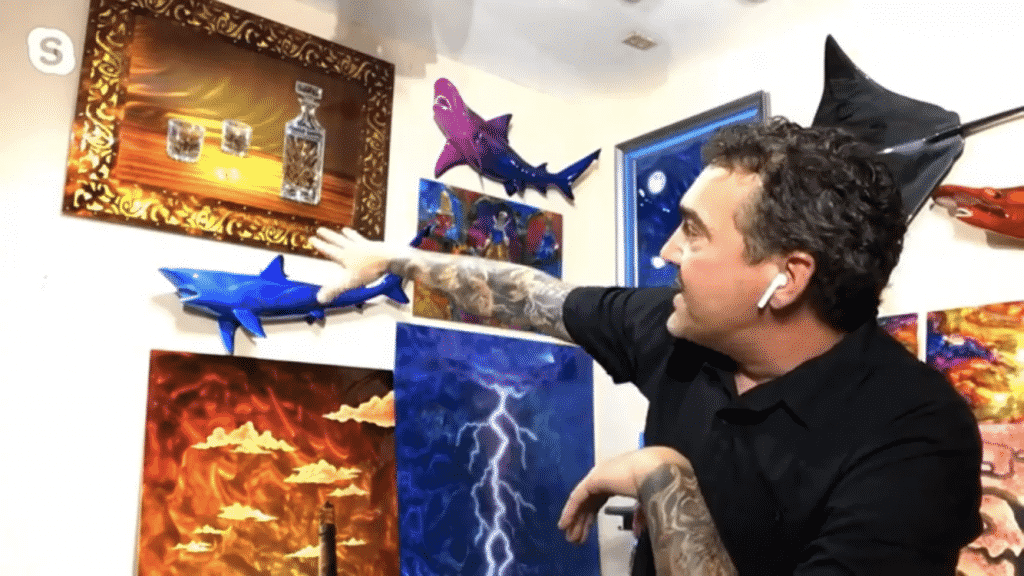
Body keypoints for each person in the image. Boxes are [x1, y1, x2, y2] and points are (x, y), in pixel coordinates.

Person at [309, 117, 983, 575]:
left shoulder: (917, 440)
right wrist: (394, 261)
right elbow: (537, 298)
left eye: (693, 232)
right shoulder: (679, 328)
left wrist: (666, 480)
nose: (666, 252)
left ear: (786, 278)